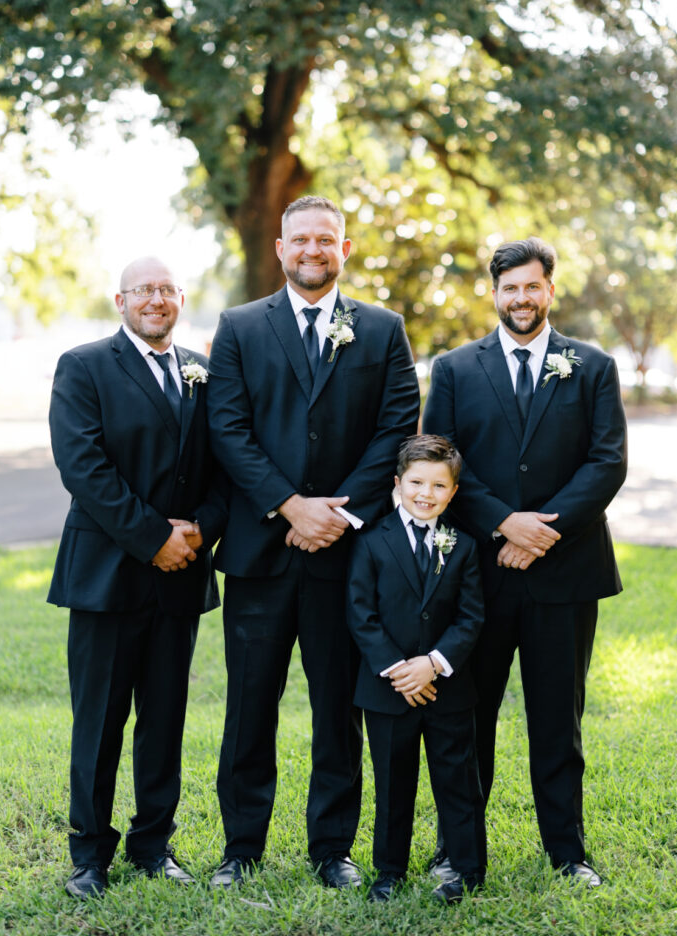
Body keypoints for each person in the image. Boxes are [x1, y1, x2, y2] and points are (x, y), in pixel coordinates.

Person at [206, 195, 420, 890]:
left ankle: (332, 849)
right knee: (249, 708)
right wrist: (288, 505)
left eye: (325, 240)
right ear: (279, 248)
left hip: (346, 555)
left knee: (338, 709)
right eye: (300, 240)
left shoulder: (382, 330)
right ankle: (241, 849)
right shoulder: (238, 327)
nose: (312, 251)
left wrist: (339, 513)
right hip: (260, 554)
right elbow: (228, 429)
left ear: (345, 249)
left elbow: (396, 427)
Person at [422, 237, 627, 888]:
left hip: (565, 574)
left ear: (549, 290)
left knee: (556, 718)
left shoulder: (590, 366)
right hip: (476, 575)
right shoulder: (455, 368)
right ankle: (458, 853)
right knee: (466, 717)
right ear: (493, 293)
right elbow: (439, 458)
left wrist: (544, 532)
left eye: (531, 286)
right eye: (508, 288)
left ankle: (567, 852)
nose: (520, 298)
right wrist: (501, 522)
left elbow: (606, 462)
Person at [48, 257, 227, 899]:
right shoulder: (85, 365)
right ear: (120, 299)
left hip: (180, 576)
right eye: (143, 290)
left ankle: (155, 845)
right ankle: (89, 857)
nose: (155, 300)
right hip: (105, 576)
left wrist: (199, 531)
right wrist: (155, 540)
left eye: (166, 290)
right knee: (98, 722)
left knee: (165, 719)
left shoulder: (203, 375)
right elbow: (83, 467)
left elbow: (223, 464)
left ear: (181, 298)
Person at [347, 434, 486, 904]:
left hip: (447, 686)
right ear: (397, 483)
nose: (426, 494)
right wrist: (397, 670)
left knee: (457, 783)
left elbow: (471, 616)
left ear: (453, 492)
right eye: (416, 483)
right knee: (392, 783)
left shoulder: (463, 546)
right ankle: (389, 872)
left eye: (439, 486)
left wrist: (433, 664)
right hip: (388, 690)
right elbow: (360, 614)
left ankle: (466, 870)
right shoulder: (371, 542)